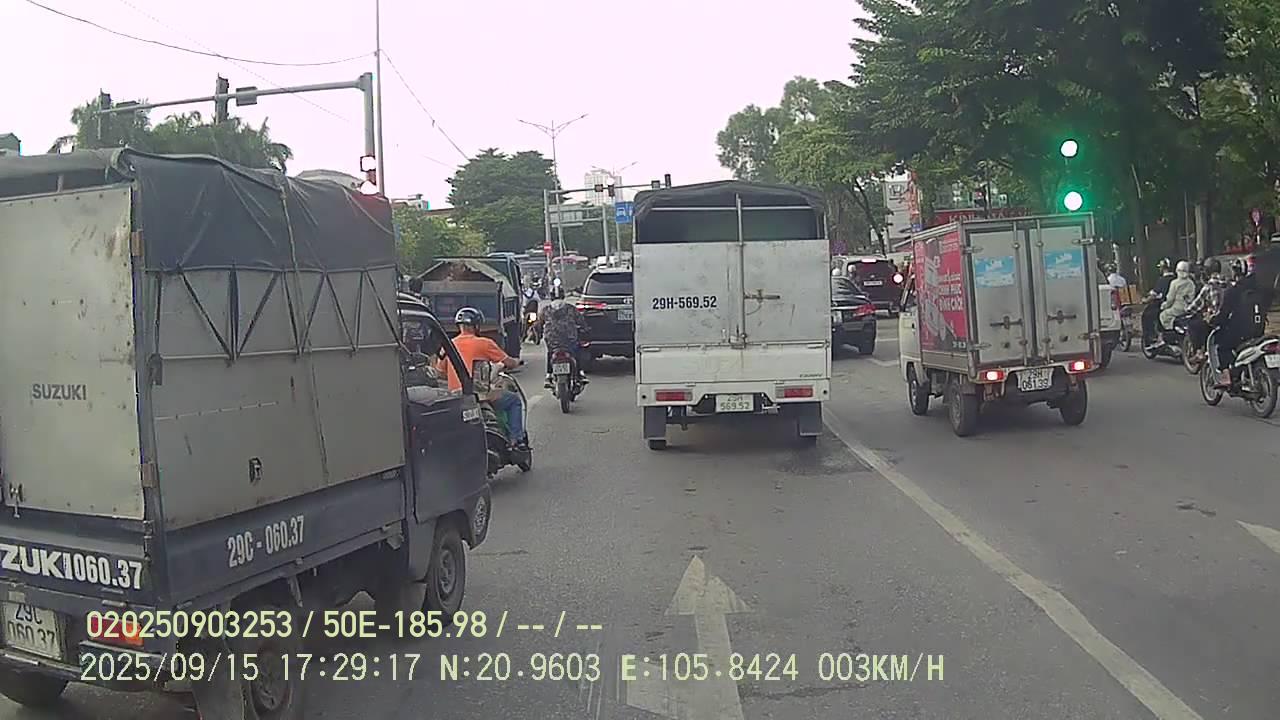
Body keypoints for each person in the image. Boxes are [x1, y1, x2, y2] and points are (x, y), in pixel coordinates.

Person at [438, 308, 528, 447]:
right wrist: (516, 361)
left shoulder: (448, 346)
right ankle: (517, 440)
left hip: (455, 398)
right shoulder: (484, 343)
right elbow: (508, 362)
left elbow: (440, 372)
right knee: (514, 401)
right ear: (476, 325)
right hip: (478, 396)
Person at [1209, 258, 1265, 388]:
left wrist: (1214, 321)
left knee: (1222, 347)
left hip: (1240, 332)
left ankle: (1226, 377)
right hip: (1259, 330)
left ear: (1234, 272)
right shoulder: (1260, 290)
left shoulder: (1232, 291)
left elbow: (1223, 314)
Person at [540, 298, 590, 389]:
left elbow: (539, 324)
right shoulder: (571, 308)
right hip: (569, 339)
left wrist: (538, 334)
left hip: (552, 340)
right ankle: (580, 373)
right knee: (576, 352)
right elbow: (581, 321)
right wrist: (585, 329)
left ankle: (549, 375)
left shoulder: (546, 309)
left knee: (550, 353)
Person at [1185, 257, 1227, 362]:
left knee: (1193, 324)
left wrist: (1187, 310)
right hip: (1229, 318)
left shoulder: (1209, 286)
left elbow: (1195, 306)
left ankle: (1199, 352)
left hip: (1216, 320)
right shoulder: (1228, 283)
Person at [1142, 257, 1177, 347]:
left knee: (1146, 315)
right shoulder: (1175, 279)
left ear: (1163, 268)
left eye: (1160, 267)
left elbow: (1154, 294)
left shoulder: (1162, 280)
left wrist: (1145, 300)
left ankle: (1151, 336)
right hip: (1175, 305)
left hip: (1163, 305)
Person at [1158, 260, 1196, 335]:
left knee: (1163, 315)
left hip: (1176, 308)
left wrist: (1164, 306)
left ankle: (1172, 330)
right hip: (1188, 308)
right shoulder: (1191, 283)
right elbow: (1191, 297)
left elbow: (1170, 299)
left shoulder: (1174, 283)